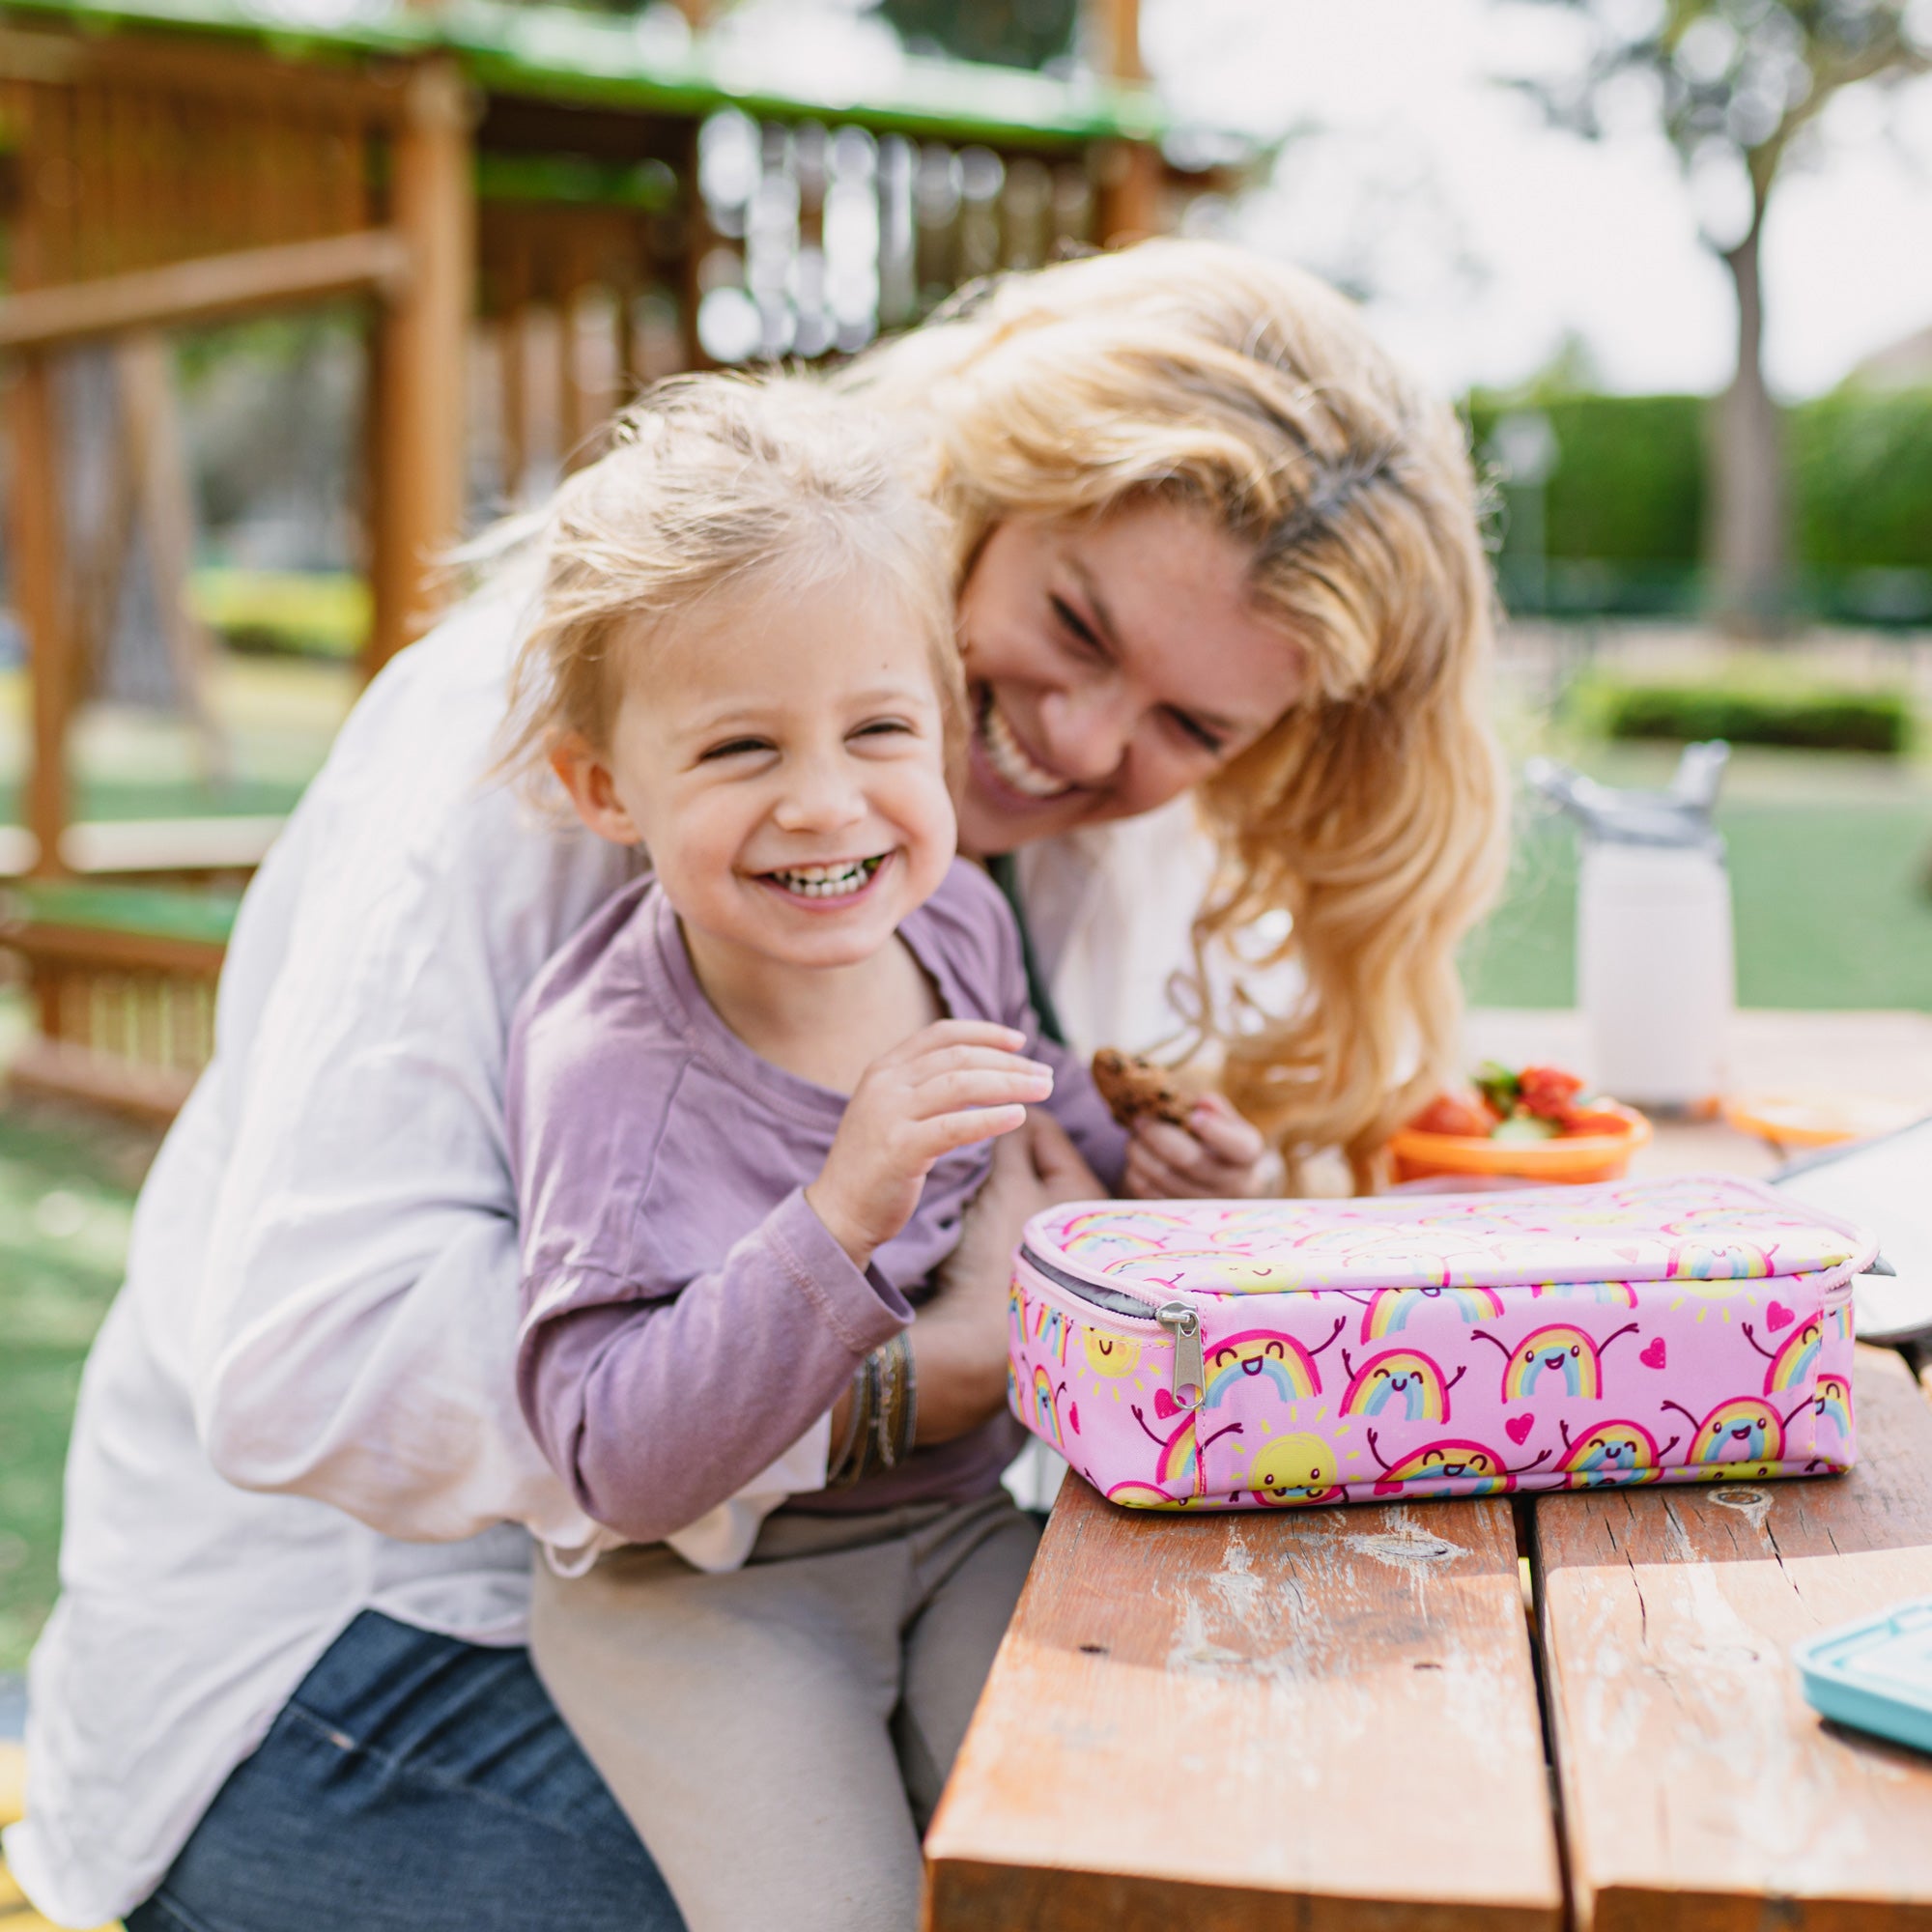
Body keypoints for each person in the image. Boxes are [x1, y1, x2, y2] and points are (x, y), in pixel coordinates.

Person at [5, 239, 1506, 1932]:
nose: (1086, 743)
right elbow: (310, 1363)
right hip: (368, 1643)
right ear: (977, 492)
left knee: (1184, 1839)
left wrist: (1154, 1225)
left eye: (1189, 728)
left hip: (836, 1588)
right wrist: (893, 1382)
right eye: (1071, 624)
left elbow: (1035, 1203)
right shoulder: (564, 731)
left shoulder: (1060, 832)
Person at [495, 377, 1268, 1932]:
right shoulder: (617, 1074)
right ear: (603, 788)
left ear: (945, 720)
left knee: (1121, 1848)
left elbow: (1033, 1111)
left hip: (966, 1524)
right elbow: (615, 1466)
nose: (825, 801)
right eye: (737, 750)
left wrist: (1156, 1160)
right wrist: (837, 1212)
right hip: (712, 1603)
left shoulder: (954, 916)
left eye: (877, 730)